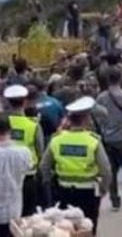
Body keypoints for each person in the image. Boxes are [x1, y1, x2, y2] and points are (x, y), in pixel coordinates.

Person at [41, 96, 111, 227]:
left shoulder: (57, 140)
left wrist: (49, 183)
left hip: (64, 190)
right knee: (88, 226)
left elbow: (44, 166)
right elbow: (106, 169)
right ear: (85, 119)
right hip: (88, 192)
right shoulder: (93, 141)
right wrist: (103, 189)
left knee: (66, 227)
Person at [95, 67, 122, 211]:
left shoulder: (101, 97)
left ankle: (115, 200)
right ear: (121, 79)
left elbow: (98, 117)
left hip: (108, 138)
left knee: (111, 170)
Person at [4, 85, 45, 216]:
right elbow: (40, 151)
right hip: (27, 176)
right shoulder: (33, 125)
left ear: (8, 102)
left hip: (6, 175)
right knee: (27, 216)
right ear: (25, 102)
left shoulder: (1, 123)